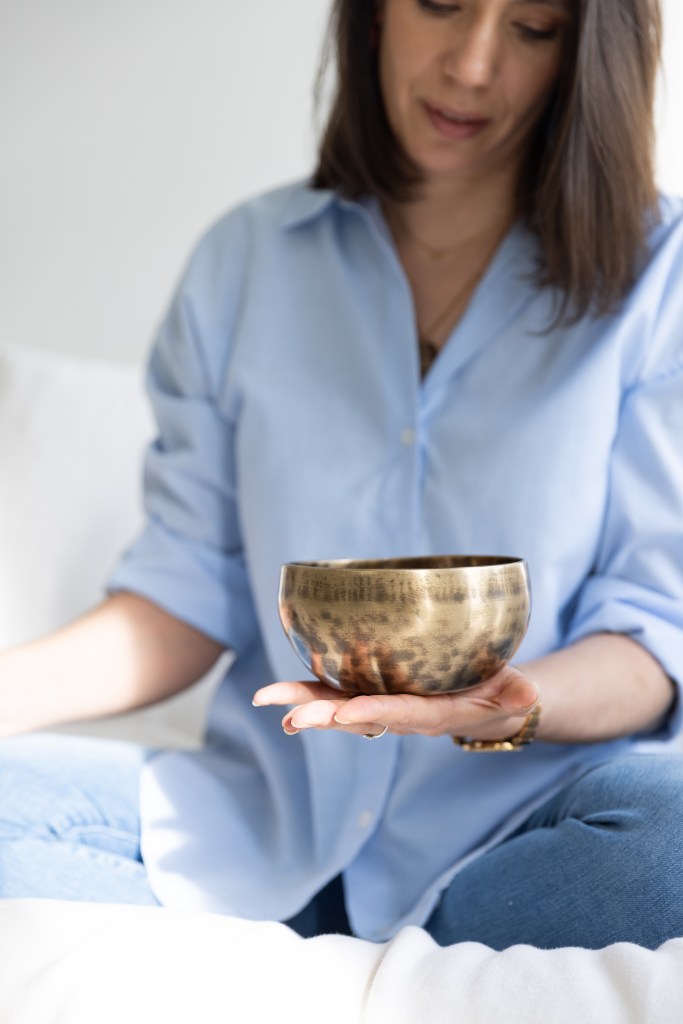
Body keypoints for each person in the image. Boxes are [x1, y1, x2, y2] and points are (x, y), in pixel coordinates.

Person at [1, 0, 683, 950]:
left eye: (530, 28)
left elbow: (653, 636)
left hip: (525, 834)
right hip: (262, 826)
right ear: (372, 18)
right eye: (441, 5)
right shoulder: (246, 262)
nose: (473, 66)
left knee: (670, 839)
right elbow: (183, 591)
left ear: (581, 55)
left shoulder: (662, 275)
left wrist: (499, 705)